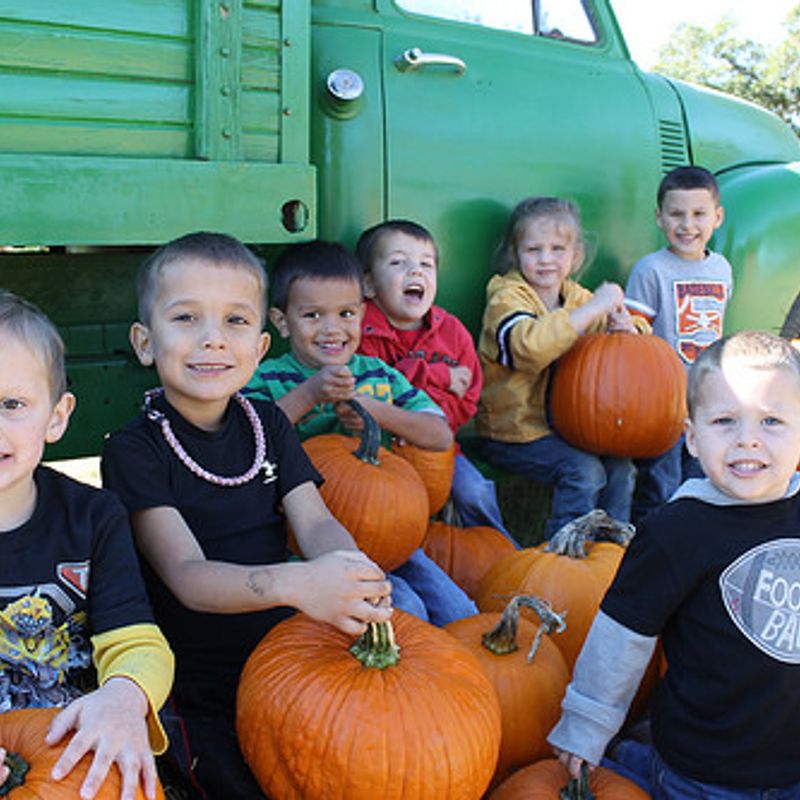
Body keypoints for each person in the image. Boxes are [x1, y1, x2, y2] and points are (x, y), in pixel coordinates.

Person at [101, 232, 392, 800]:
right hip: (193, 679)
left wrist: (350, 566)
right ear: (144, 341)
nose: (212, 340)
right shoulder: (135, 449)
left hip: (282, 655)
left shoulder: (268, 424)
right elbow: (187, 575)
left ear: (259, 348)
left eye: (235, 322)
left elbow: (314, 521)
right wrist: (300, 582)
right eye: (186, 318)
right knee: (241, 784)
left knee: (349, 765)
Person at [549, 330, 800, 798]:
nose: (748, 440)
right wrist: (586, 725)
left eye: (771, 421)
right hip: (707, 770)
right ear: (692, 438)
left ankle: (634, 756)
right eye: (725, 421)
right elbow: (621, 636)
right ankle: (633, 757)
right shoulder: (676, 531)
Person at [244, 239, 479, 625]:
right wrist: (309, 394)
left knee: (460, 614)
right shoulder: (267, 378)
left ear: (363, 314)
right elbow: (249, 440)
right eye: (313, 316)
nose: (332, 329)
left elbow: (439, 435)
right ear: (282, 320)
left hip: (389, 531)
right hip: (305, 544)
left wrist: (376, 412)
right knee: (406, 612)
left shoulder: (379, 375)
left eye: (346, 314)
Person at [0, 290, 173, 800]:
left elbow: (136, 640)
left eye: (11, 404)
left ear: (56, 417)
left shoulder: (93, 518)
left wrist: (125, 696)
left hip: (70, 746)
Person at [475, 196, 648, 540]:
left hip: (569, 428)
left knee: (620, 467)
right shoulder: (506, 297)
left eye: (557, 249)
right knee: (584, 471)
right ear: (515, 253)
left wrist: (628, 328)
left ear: (575, 255)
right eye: (534, 249)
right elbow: (528, 347)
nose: (545, 259)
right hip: (515, 432)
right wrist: (595, 309)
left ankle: (611, 551)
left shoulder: (577, 299)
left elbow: (632, 347)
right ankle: (566, 554)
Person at [355, 219, 515, 543]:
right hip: (378, 453)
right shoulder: (360, 331)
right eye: (398, 263)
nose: (416, 272)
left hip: (440, 451)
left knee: (475, 493)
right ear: (369, 285)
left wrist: (435, 425)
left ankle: (505, 555)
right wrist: (435, 375)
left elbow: (468, 397)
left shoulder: (451, 332)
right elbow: (375, 388)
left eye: (426, 264)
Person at [625, 165, 733, 525]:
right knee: (661, 478)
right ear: (659, 218)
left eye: (699, 214)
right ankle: (650, 536)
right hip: (664, 396)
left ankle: (692, 535)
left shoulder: (721, 268)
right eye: (676, 214)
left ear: (717, 217)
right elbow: (636, 330)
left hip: (706, 391)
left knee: (702, 472)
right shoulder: (651, 269)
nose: (687, 225)